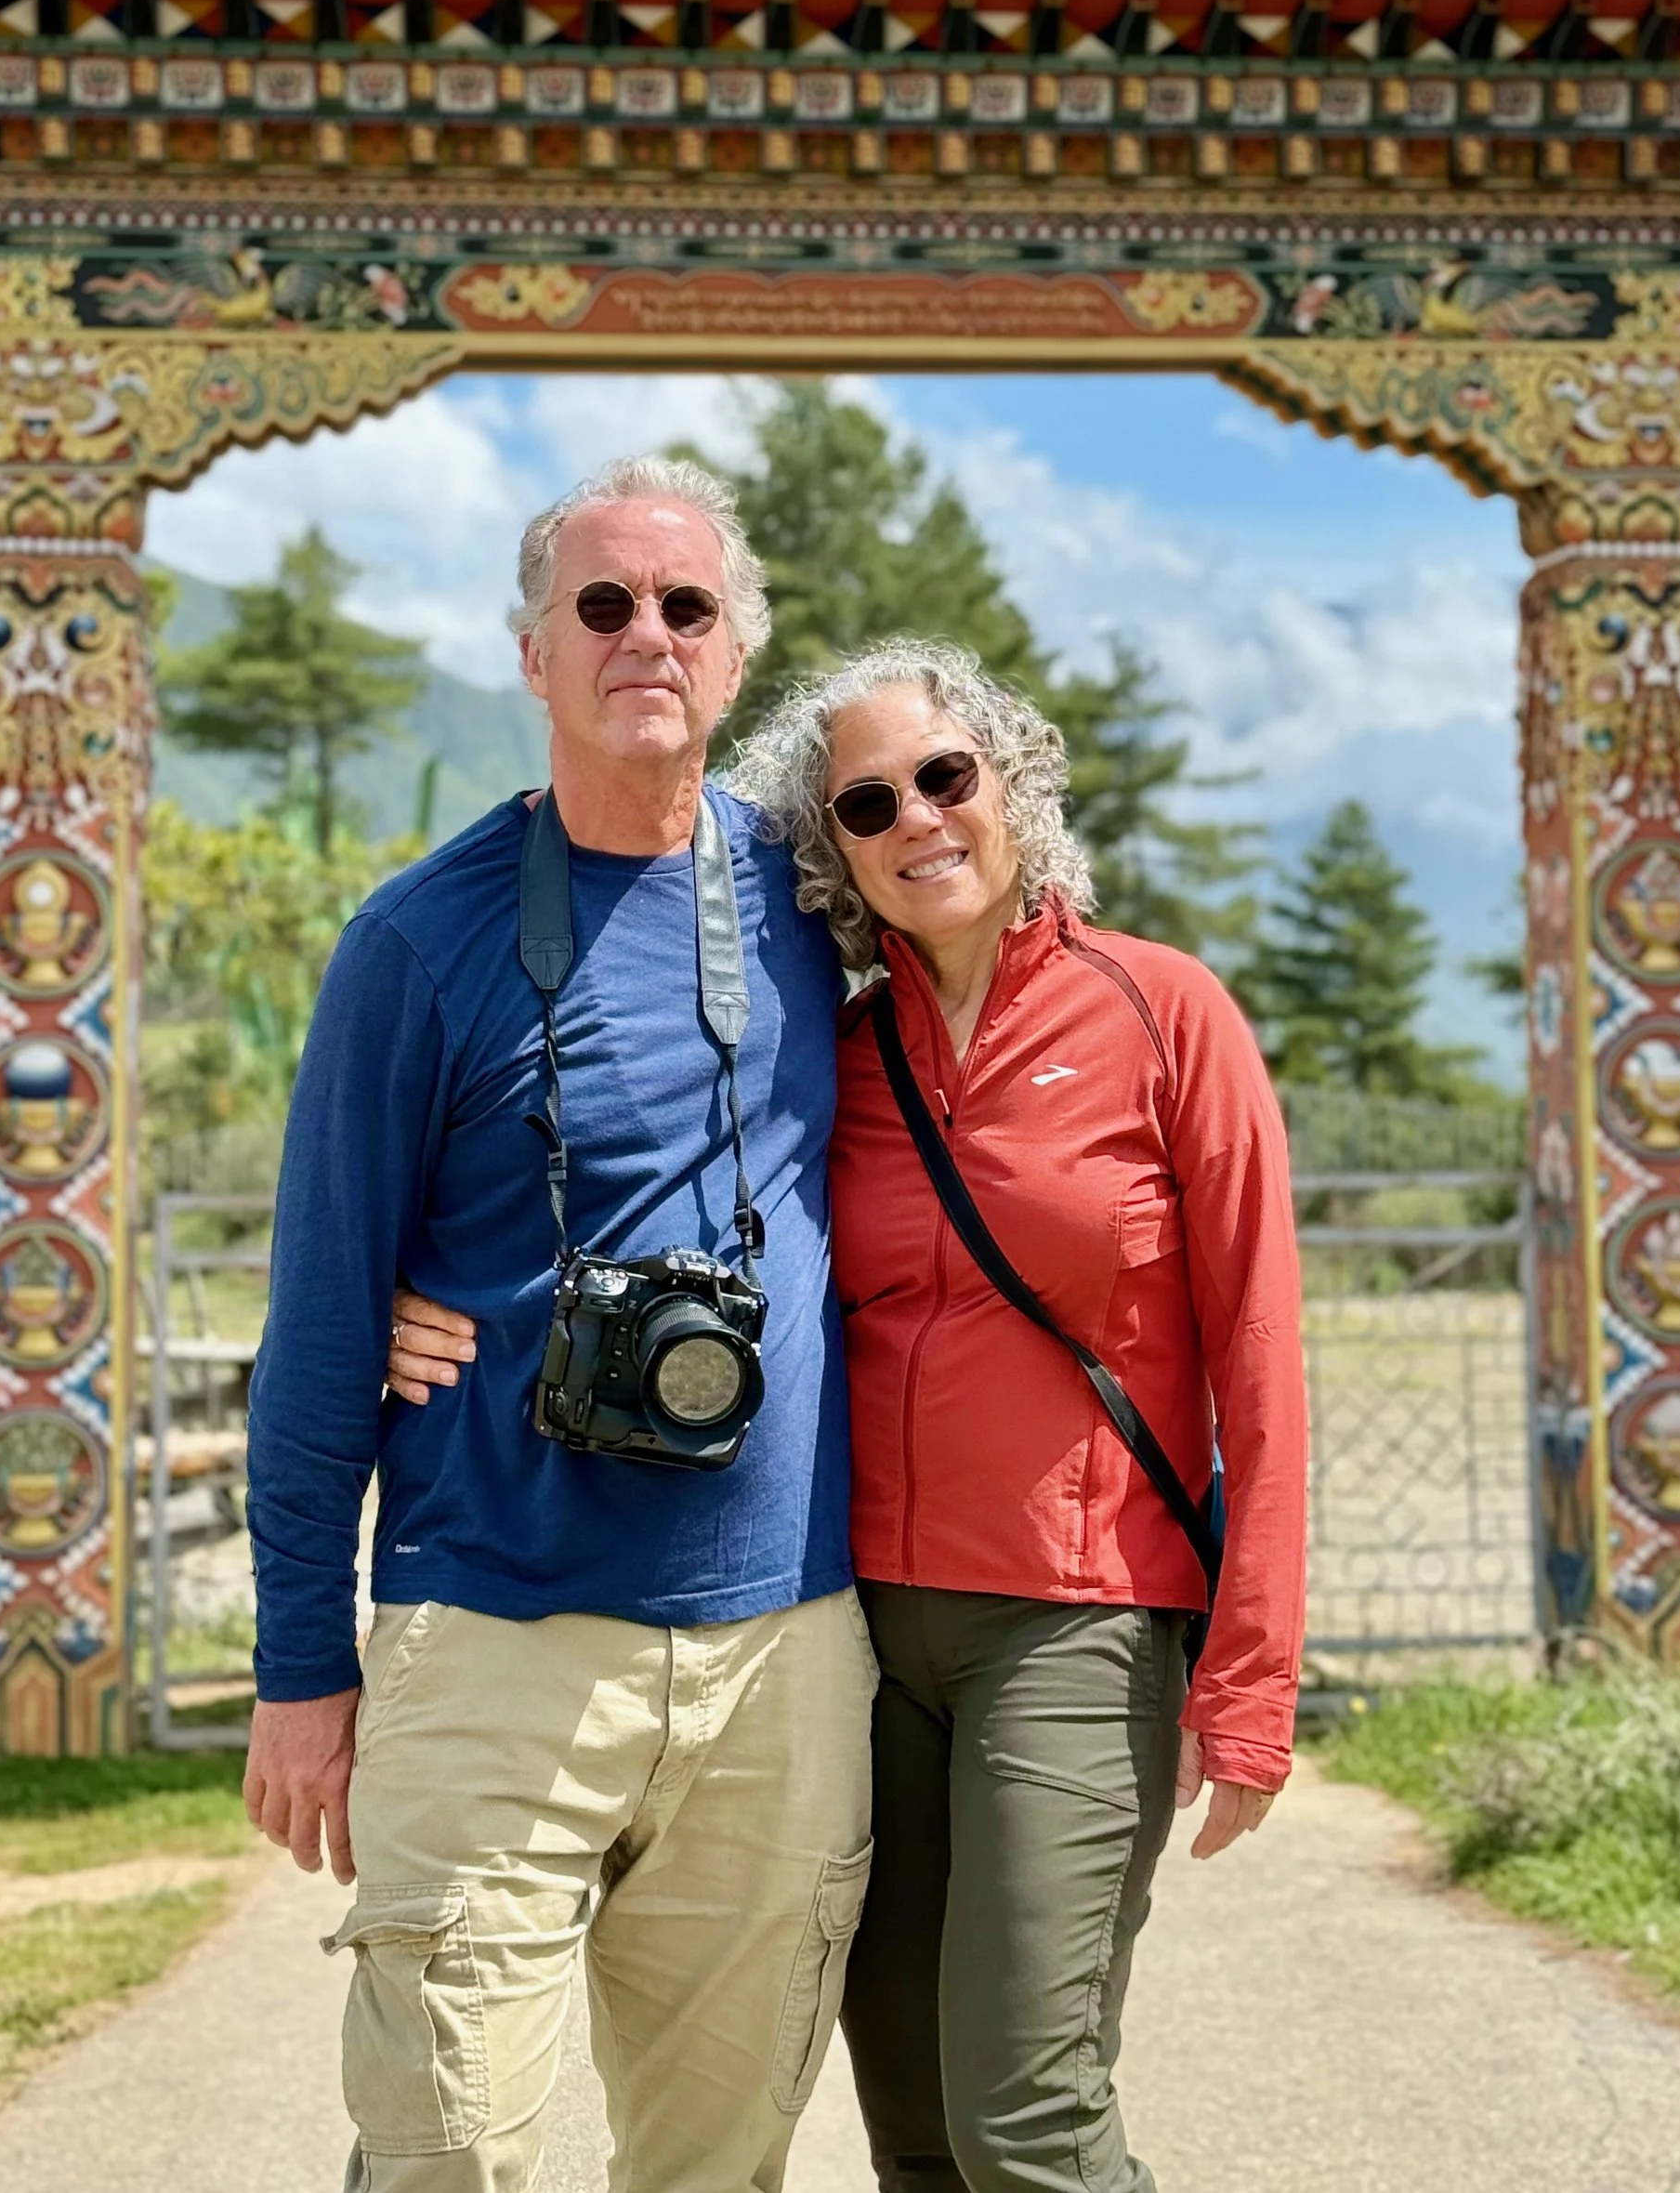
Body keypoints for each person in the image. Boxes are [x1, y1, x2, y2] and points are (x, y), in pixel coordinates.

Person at [395, 637, 1306, 2193]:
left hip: (1076, 1627)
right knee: (914, 2132)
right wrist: (430, 1293)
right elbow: (633, 1163)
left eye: (946, 778)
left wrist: (1253, 1684)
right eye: (867, 805)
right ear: (835, 853)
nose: (917, 821)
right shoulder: (837, 1049)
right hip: (868, 1637)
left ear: (1011, 785)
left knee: (1028, 2112)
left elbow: (1263, 1366)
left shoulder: (1164, 1015)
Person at [244, 454, 873, 2193]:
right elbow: (312, 1337)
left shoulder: (831, 900)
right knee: (446, 2153)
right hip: (493, 1633)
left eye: (686, 606)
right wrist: (303, 1668)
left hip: (783, 1648)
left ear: (738, 652)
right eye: (602, 605)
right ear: (536, 655)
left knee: (716, 2166)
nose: (645, 635)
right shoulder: (417, 943)